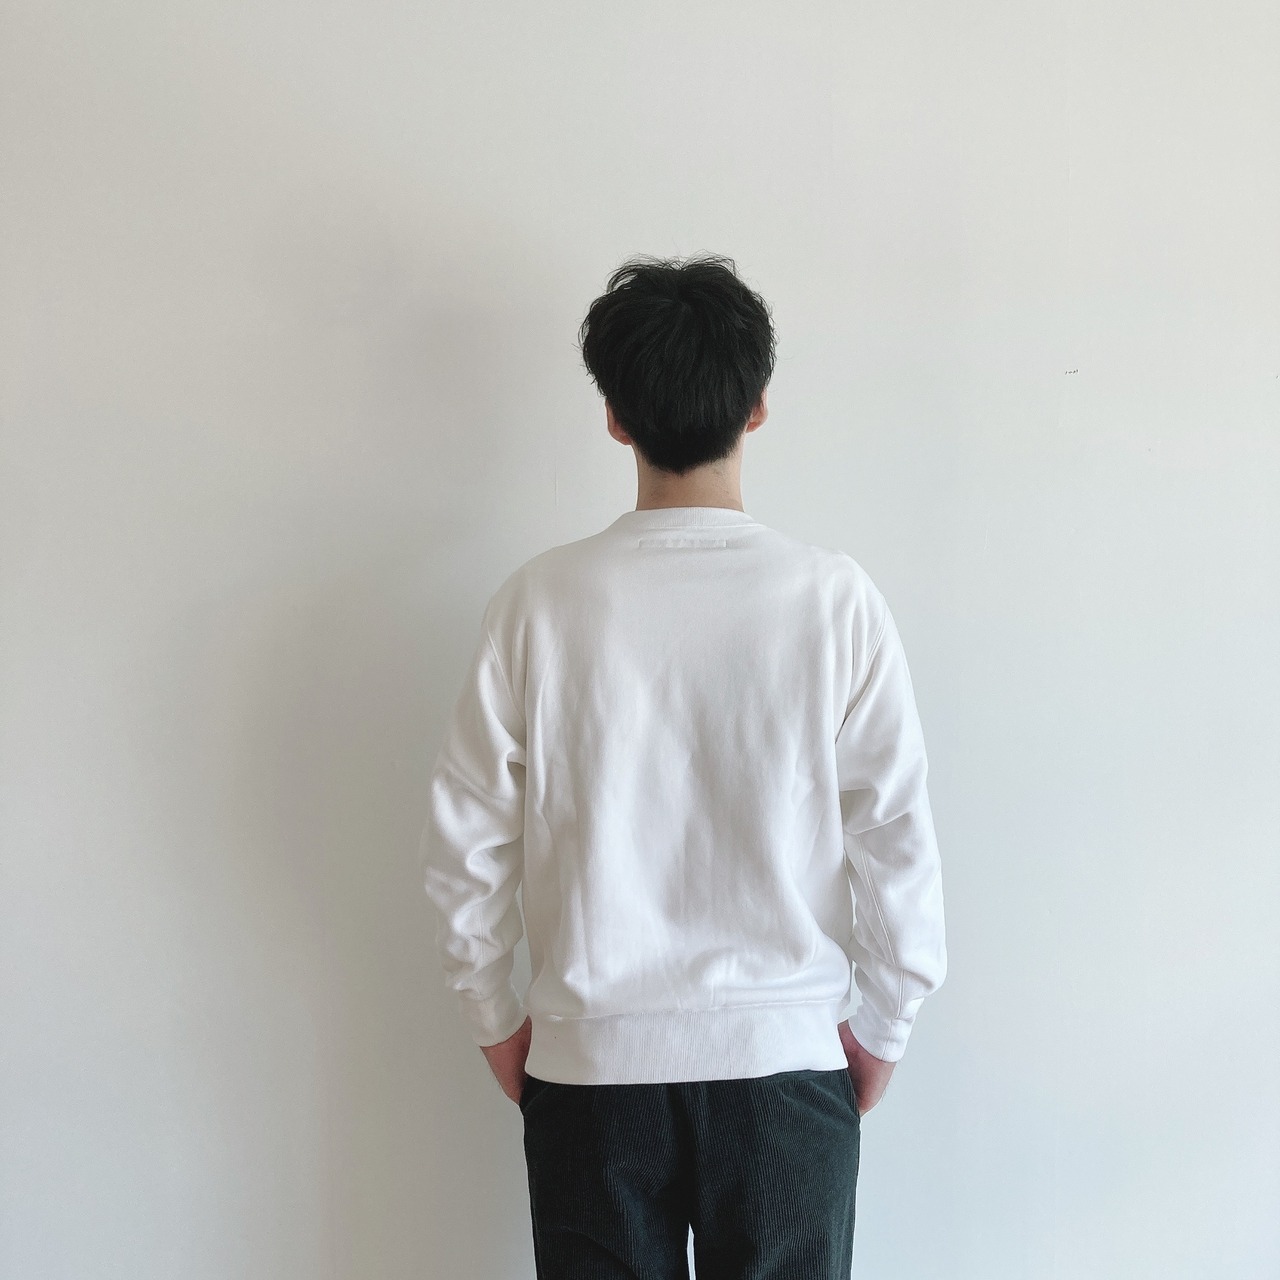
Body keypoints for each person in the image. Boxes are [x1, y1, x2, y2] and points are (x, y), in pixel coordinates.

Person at [419, 253, 947, 1279]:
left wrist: (494, 1016)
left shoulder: (538, 604)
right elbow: (896, 834)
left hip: (591, 1065)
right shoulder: (832, 599)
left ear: (615, 417)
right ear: (757, 406)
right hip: (783, 1066)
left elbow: (464, 839)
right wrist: (884, 1021)